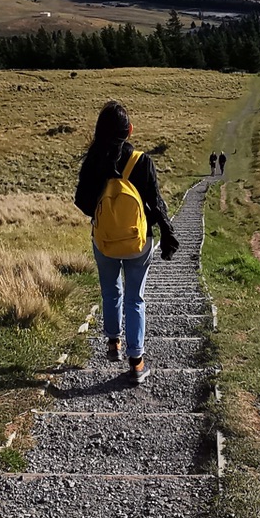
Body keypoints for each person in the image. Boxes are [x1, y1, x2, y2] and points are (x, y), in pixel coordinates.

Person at [74, 100, 178, 384]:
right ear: (130, 131)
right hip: (138, 243)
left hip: (104, 240)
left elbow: (81, 201)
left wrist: (102, 213)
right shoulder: (141, 161)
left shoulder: (94, 161)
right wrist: (166, 233)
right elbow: (156, 204)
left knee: (110, 291)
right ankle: (136, 362)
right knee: (135, 298)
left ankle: (112, 344)